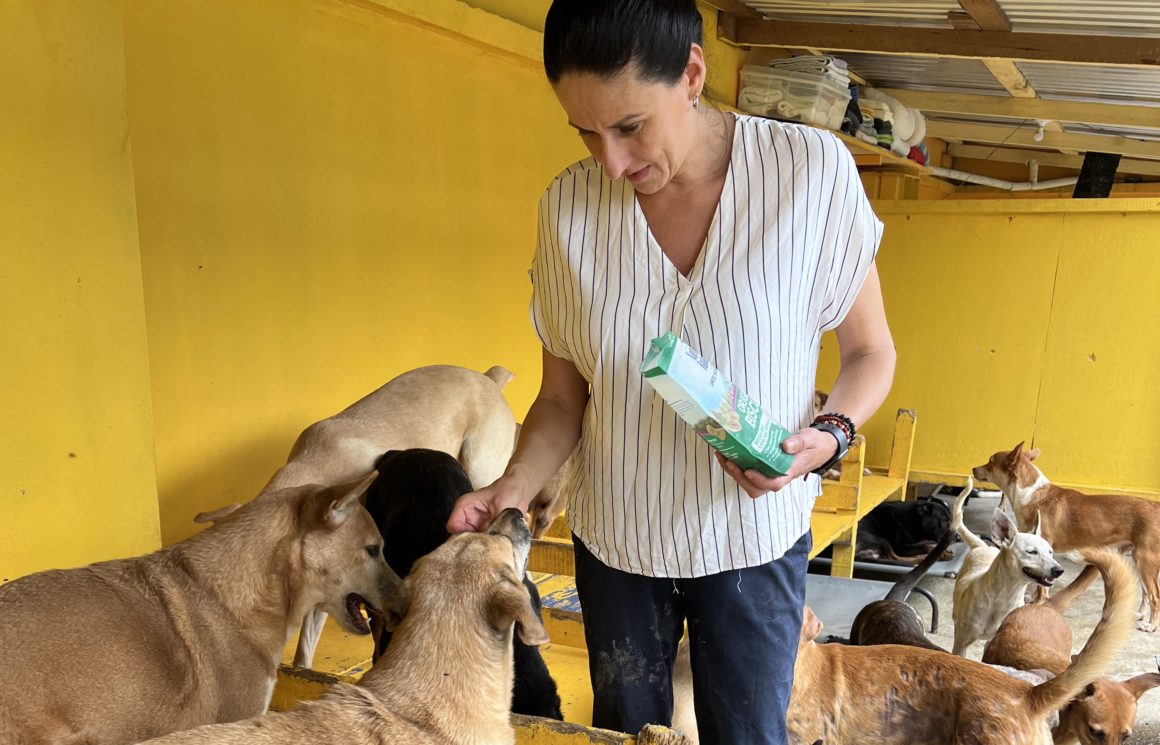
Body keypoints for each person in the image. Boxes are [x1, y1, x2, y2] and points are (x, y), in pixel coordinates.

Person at [448, 1, 895, 742]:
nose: (612, 162)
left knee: (749, 732)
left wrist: (829, 435)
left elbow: (871, 352)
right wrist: (511, 488)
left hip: (752, 541)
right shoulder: (569, 209)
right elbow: (563, 398)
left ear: (692, 72)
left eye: (629, 126)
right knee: (627, 733)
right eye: (585, 132)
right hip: (621, 546)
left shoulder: (809, 177)